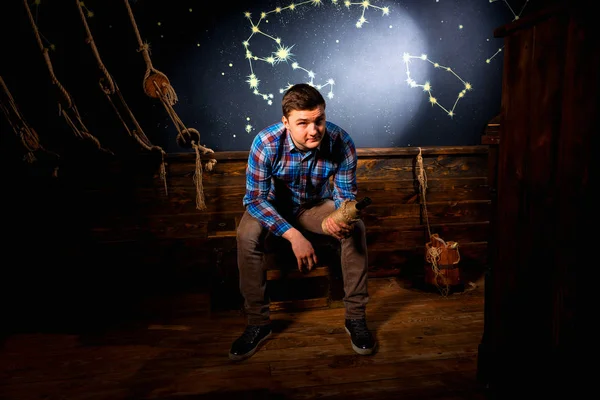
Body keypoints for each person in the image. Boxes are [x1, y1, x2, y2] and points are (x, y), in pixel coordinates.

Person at [229, 83, 375, 361]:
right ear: (286, 122)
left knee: (354, 228)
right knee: (246, 235)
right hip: (270, 206)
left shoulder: (341, 141)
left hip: (313, 206)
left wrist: (340, 215)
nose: (314, 130)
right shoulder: (266, 143)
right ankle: (258, 324)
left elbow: (344, 195)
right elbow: (255, 200)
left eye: (319, 120)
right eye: (303, 123)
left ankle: (355, 318)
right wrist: (294, 236)